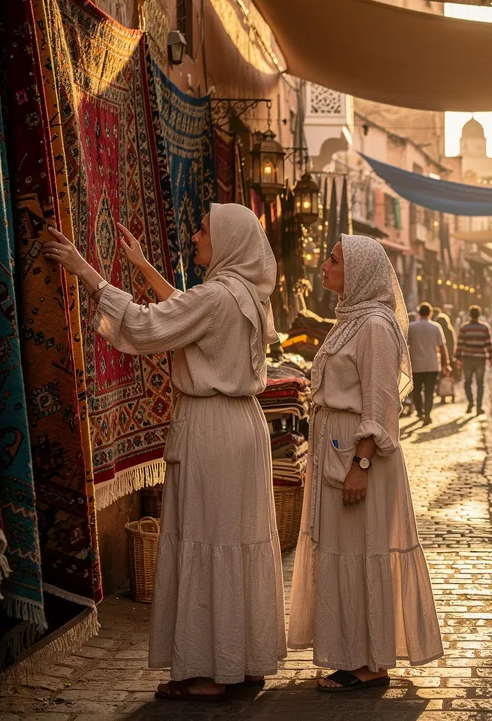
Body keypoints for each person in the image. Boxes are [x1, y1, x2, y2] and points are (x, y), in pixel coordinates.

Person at [42, 203, 286, 700]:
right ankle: (240, 661)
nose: (196, 237)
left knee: (205, 537)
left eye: (203, 230)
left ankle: (205, 674)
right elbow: (188, 313)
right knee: (236, 540)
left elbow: (148, 325)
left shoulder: (218, 296)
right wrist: (144, 268)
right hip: (242, 428)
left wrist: (84, 271)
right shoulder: (246, 295)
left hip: (212, 429)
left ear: (229, 241)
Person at [290, 235, 443, 691]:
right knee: (346, 552)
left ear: (357, 271)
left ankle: (371, 662)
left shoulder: (375, 325)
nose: (324, 265)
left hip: (361, 457)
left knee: (363, 551)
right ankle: (353, 652)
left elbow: (380, 402)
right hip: (341, 449)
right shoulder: (350, 319)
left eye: (333, 260)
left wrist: (362, 462)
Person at [407, 303, 448, 425]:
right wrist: (446, 363)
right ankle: (427, 414)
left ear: (419, 313)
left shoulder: (411, 327)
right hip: (432, 364)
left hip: (416, 364)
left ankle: (419, 411)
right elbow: (442, 347)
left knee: (416, 390)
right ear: (430, 313)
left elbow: (405, 345)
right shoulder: (436, 327)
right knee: (429, 391)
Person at [456, 305, 492, 414]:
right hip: (480, 359)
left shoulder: (464, 328)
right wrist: (491, 358)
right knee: (480, 383)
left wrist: (458, 358)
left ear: (470, 315)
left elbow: (460, 344)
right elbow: (489, 344)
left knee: (467, 382)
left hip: (467, 359)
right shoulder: (484, 327)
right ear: (479, 315)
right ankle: (479, 407)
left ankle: (471, 402)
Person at [434, 310, 458, 404]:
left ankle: (442, 395)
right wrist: (451, 356)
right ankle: (451, 394)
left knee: (441, 377)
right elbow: (452, 344)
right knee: (450, 377)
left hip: (439, 356)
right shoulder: (450, 330)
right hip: (449, 356)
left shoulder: (438, 330)